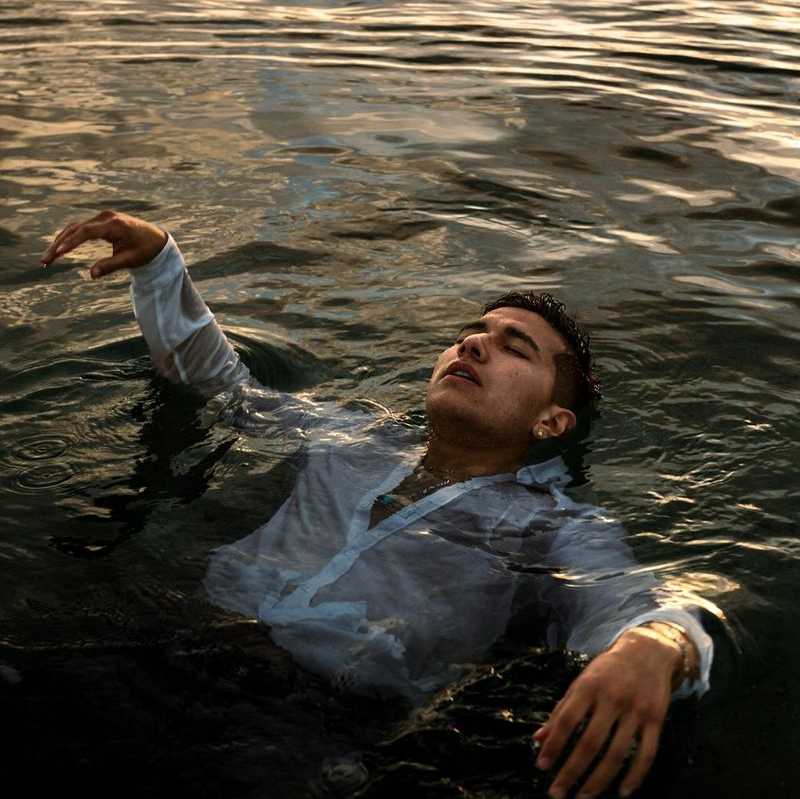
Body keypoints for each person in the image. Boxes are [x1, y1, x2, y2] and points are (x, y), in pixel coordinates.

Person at [42, 210, 715, 799]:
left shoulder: (551, 527)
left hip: (295, 732)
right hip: (164, 650)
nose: (473, 343)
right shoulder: (346, 441)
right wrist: (161, 261)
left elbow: (630, 606)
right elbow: (221, 385)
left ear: (552, 423)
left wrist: (657, 643)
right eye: (470, 333)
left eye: (515, 349)